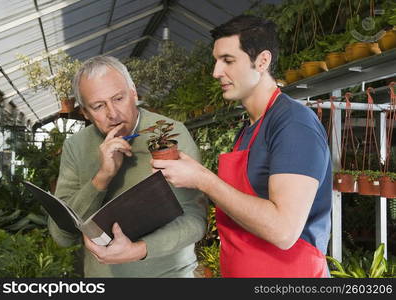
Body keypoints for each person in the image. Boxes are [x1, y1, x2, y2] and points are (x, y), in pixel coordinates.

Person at [151, 15, 332, 277]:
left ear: (262, 61)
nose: (216, 72)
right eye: (216, 60)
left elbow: (283, 231)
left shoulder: (293, 124)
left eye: (228, 60)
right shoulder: (248, 128)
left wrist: (204, 179)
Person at [48, 55, 207, 277]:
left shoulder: (171, 134)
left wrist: (138, 250)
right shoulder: (76, 146)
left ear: (134, 93)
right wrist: (102, 178)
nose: (113, 114)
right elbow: (62, 236)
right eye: (98, 106)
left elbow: (195, 220)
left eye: (119, 98)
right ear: (84, 112)